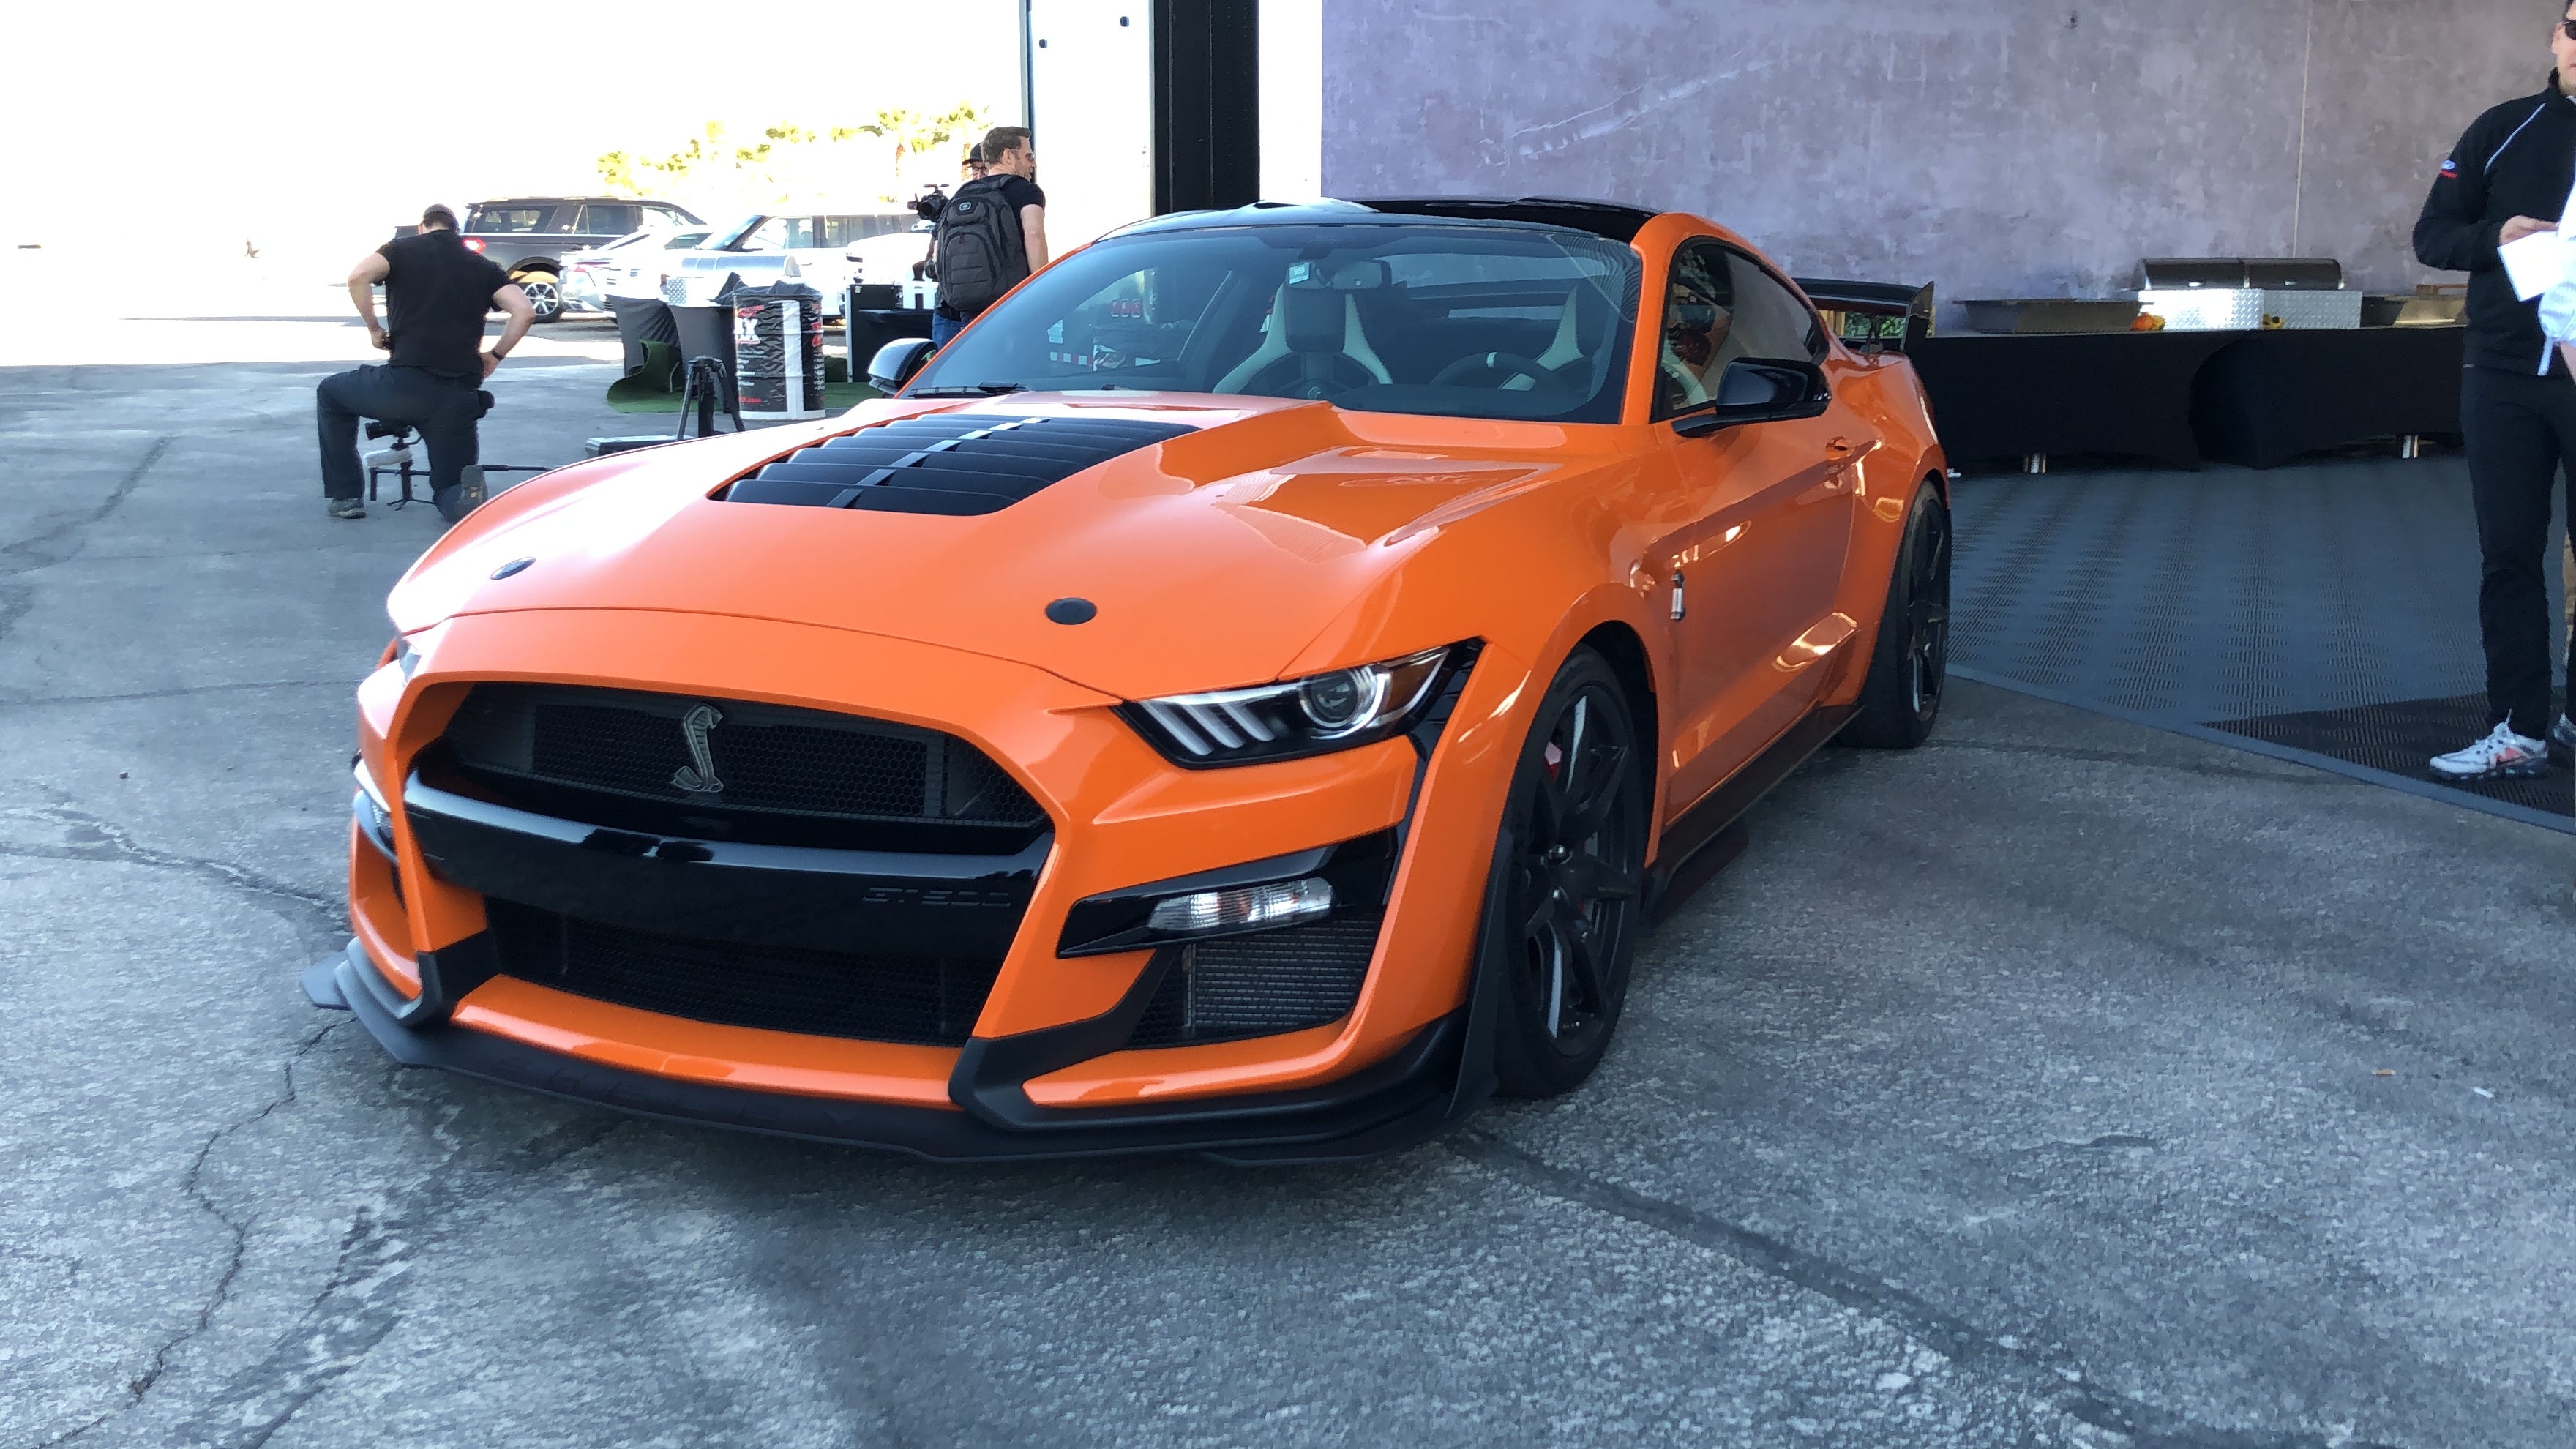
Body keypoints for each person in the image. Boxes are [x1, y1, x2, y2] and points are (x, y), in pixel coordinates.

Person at [2414, 15, 2576, 780]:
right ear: (2555, 35)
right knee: (2508, 554)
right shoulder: (2506, 128)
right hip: (2504, 376)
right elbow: (2432, 236)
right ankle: (2517, 727)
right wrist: (2495, 237)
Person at [318, 204, 533, 523]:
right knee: (449, 487)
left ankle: (347, 497)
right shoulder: (483, 266)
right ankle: (462, 500)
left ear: (422, 227)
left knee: (330, 393)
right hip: (458, 396)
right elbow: (525, 311)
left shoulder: (400, 250)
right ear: (457, 232)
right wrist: (495, 355)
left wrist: (375, 330)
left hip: (403, 387)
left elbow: (358, 277)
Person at [927, 125, 1049, 349]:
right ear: (1008, 156)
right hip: (1010, 307)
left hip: (964, 310)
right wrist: (1041, 287)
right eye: (1028, 156)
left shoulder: (963, 193)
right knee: (1016, 378)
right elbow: (1034, 234)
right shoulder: (1027, 191)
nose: (1033, 163)